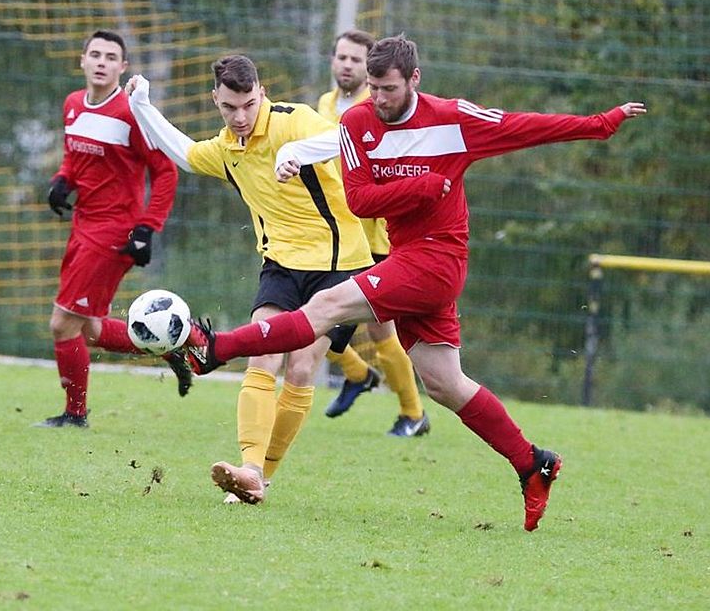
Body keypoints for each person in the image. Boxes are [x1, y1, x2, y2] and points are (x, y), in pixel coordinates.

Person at [179, 34, 647, 531]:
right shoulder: (357, 123)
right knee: (445, 382)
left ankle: (215, 347)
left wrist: (601, 124)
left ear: (414, 80)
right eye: (374, 88)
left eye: (389, 89)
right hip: (406, 256)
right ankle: (533, 463)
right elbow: (359, 202)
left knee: (327, 306)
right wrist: (423, 185)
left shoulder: (452, 119)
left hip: (439, 259)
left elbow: (523, 127)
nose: (378, 99)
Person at [125, 55, 375, 504]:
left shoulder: (294, 121)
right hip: (279, 263)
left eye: (248, 104)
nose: (240, 117)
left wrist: (298, 154)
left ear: (261, 92)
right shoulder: (227, 150)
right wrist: (143, 105)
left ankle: (264, 476)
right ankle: (250, 472)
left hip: (339, 262)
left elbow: (345, 139)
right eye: (229, 108)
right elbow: (183, 154)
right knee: (262, 359)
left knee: (301, 366)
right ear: (216, 101)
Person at [36, 30, 187, 429]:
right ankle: (179, 345)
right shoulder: (73, 105)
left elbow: (166, 173)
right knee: (91, 327)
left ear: (123, 67)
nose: (102, 62)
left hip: (114, 231)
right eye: (95, 54)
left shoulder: (131, 114)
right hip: (83, 224)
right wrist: (62, 180)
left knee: (62, 323)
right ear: (82, 60)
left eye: (111, 57)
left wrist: (147, 228)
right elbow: (73, 156)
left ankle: (75, 414)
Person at [317, 29, 428, 437]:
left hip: (374, 238)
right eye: (340, 57)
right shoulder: (324, 105)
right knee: (320, 318)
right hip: (332, 235)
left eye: (355, 60)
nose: (347, 65)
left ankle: (410, 410)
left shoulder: (380, 108)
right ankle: (370, 382)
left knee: (362, 327)